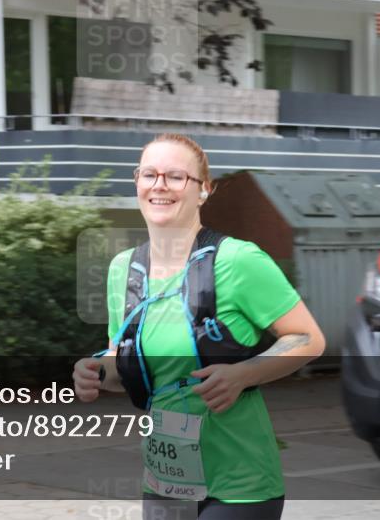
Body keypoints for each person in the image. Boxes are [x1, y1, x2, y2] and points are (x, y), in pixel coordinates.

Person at [73, 133, 325, 520]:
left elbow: (308, 338)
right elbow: (122, 361)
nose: (159, 185)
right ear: (137, 183)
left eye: (176, 176)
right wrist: (96, 372)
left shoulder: (237, 260)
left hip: (239, 484)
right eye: (149, 174)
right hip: (165, 481)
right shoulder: (123, 269)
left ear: (203, 190)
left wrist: (242, 374)